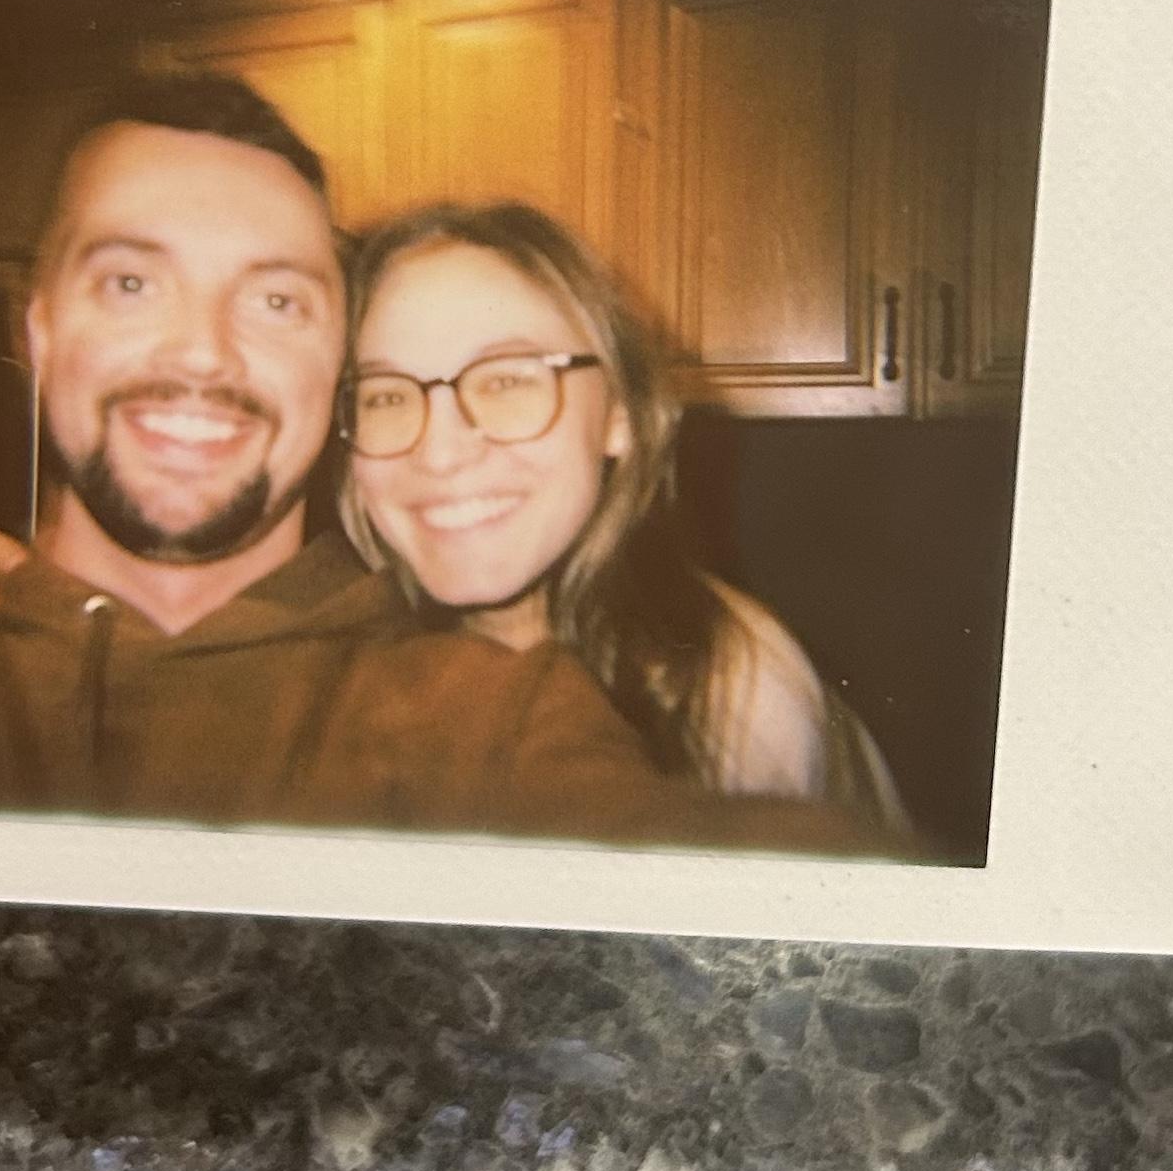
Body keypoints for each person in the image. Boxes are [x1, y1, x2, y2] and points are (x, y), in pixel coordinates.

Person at [0, 72, 885, 856]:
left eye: (277, 300)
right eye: (130, 283)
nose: (203, 352)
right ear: (35, 328)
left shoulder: (511, 707)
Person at [337, 201, 912, 831]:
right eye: (385, 396)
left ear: (619, 414)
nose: (440, 453)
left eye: (507, 381)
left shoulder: (729, 697)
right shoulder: (332, 675)